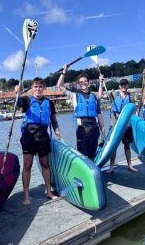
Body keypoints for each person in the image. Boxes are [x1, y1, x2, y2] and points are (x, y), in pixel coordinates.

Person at [14, 77, 61, 205]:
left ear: (44, 88)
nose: (38, 89)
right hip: (29, 135)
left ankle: (49, 191)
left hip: (43, 135)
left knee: (45, 164)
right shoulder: (26, 99)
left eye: (40, 86)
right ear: (32, 88)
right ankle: (26, 195)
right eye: (35, 86)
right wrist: (18, 93)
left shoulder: (49, 103)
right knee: (27, 166)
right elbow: (18, 104)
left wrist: (57, 132)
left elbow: (54, 120)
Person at [57, 64, 105, 160]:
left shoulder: (94, 95)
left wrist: (100, 82)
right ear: (79, 83)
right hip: (82, 129)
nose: (83, 83)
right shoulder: (75, 96)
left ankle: (93, 173)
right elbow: (60, 86)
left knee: (93, 155)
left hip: (94, 129)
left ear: (88, 82)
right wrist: (64, 72)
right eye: (81, 82)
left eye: (85, 81)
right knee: (83, 156)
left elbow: (100, 95)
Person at [100, 78, 138, 173]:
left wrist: (136, 120)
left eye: (125, 84)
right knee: (113, 147)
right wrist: (101, 82)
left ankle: (129, 165)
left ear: (127, 85)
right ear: (119, 86)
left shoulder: (131, 97)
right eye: (122, 85)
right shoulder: (113, 94)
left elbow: (134, 110)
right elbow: (101, 96)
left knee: (127, 146)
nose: (124, 86)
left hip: (126, 125)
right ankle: (112, 166)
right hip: (115, 125)